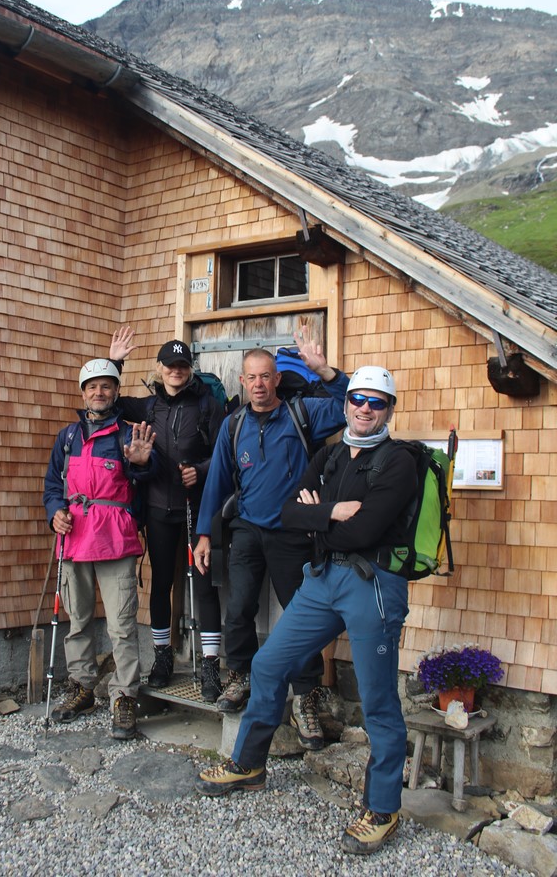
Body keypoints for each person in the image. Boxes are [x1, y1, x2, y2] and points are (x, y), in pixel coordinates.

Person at [196, 365, 418, 857]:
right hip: (323, 579)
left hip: (373, 585)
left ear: (389, 409)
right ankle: (249, 764)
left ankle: (383, 808)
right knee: (269, 663)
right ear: (347, 403)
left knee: (379, 699)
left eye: (376, 401)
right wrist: (330, 513)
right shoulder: (331, 454)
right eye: (357, 398)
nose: (364, 408)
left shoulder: (399, 462)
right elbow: (288, 513)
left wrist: (316, 518)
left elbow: (365, 531)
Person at [193, 336, 349, 749]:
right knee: (239, 607)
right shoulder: (234, 425)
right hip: (247, 528)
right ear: (242, 382)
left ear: (277, 379)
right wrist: (204, 534)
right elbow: (217, 481)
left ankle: (305, 696)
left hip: (293, 531)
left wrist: (325, 371)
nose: (259, 384)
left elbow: (350, 406)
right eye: (252, 378)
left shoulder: (302, 413)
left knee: (302, 616)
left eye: (266, 376)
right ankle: (241, 675)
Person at [108, 327, 225, 701]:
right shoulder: (147, 407)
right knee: (161, 583)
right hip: (159, 508)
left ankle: (210, 665)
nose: (176, 370)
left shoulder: (207, 406)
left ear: (190, 369)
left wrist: (200, 471)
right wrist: (114, 362)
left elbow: (223, 453)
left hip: (196, 507)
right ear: (159, 368)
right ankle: (162, 658)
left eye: (182, 365)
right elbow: (107, 402)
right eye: (170, 365)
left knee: (204, 584)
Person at [43, 358, 157, 741]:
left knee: (122, 625)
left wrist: (141, 464)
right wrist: (55, 513)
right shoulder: (67, 438)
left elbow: (147, 475)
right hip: (74, 539)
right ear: (83, 393)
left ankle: (124, 697)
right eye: (92, 386)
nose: (99, 392)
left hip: (115, 540)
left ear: (116, 392)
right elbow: (52, 487)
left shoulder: (129, 435)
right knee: (77, 621)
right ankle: (82, 687)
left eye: (106, 386)